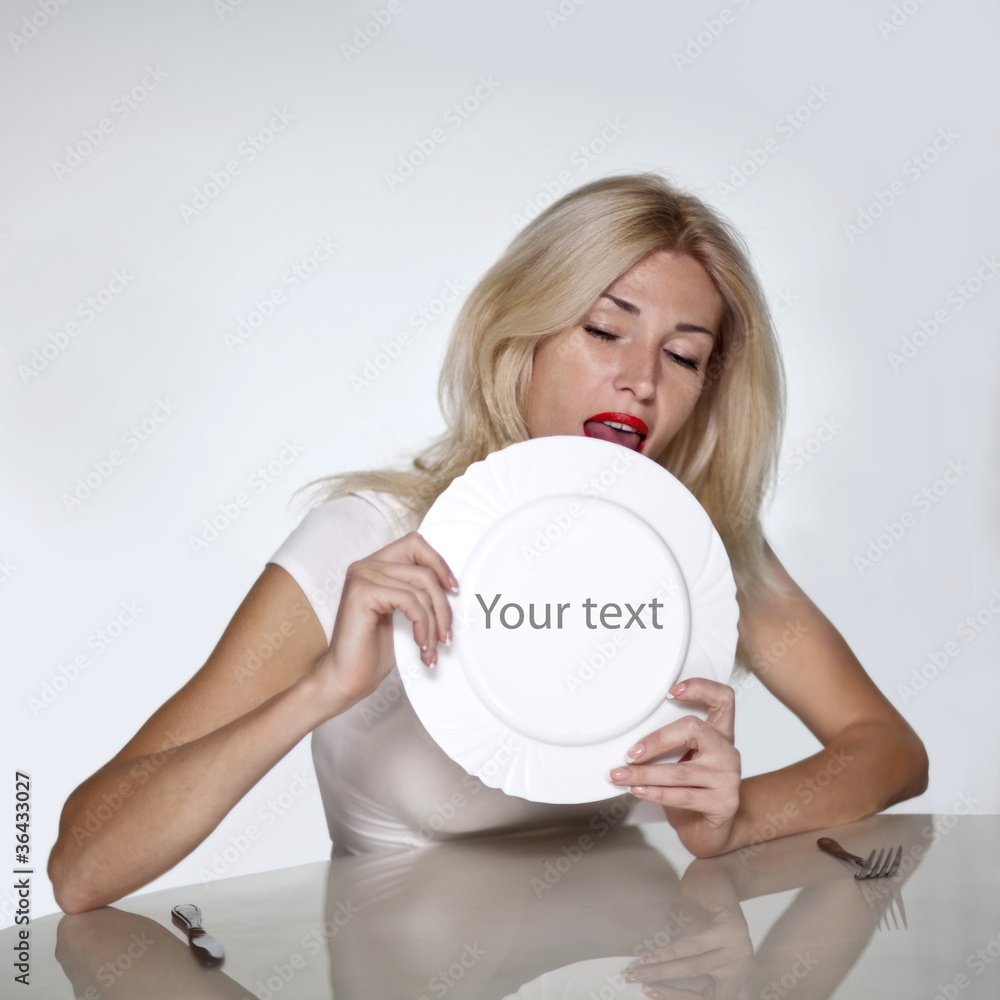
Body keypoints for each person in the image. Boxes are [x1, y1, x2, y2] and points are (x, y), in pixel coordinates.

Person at [48, 173, 928, 914]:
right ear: (525, 334)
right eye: (604, 329)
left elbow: (889, 748)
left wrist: (732, 819)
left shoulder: (690, 552)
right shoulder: (368, 546)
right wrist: (322, 690)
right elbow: (80, 869)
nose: (640, 379)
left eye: (685, 355)